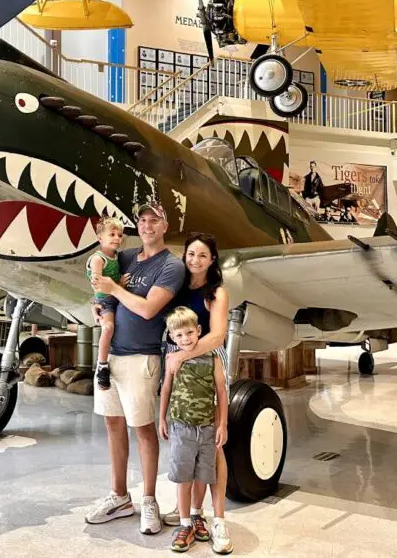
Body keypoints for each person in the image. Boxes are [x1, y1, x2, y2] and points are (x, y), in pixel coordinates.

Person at [85, 202, 186, 535]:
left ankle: (149, 500)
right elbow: (99, 286)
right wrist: (98, 307)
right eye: (142, 220)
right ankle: (119, 496)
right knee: (113, 425)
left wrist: (112, 288)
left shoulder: (171, 265)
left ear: (165, 226)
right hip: (110, 356)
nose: (146, 225)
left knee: (143, 430)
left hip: (142, 358)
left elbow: (147, 309)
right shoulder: (124, 256)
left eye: (154, 220)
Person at [162, 233, 233, 554]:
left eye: (203, 255)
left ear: (212, 259)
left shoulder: (215, 293)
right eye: (191, 253)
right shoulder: (176, 286)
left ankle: (216, 518)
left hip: (207, 364)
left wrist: (183, 355)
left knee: (212, 449)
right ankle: (189, 517)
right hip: (178, 370)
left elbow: (217, 336)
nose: (195, 260)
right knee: (184, 444)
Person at [159, 307, 228, 554]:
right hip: (181, 427)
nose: (185, 339)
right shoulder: (171, 360)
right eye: (179, 336)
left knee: (203, 475)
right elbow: (165, 389)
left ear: (199, 331)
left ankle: (198, 514)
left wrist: (222, 424)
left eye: (189, 333)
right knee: (183, 476)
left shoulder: (213, 360)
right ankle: (185, 522)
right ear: (172, 338)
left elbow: (221, 393)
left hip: (207, 428)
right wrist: (162, 419)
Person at [87, 216, 124, 391]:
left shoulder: (117, 257)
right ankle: (102, 365)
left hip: (117, 298)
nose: (117, 238)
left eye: (119, 235)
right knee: (108, 327)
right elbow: (98, 283)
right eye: (112, 234)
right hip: (106, 300)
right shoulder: (98, 259)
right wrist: (119, 286)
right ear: (100, 238)